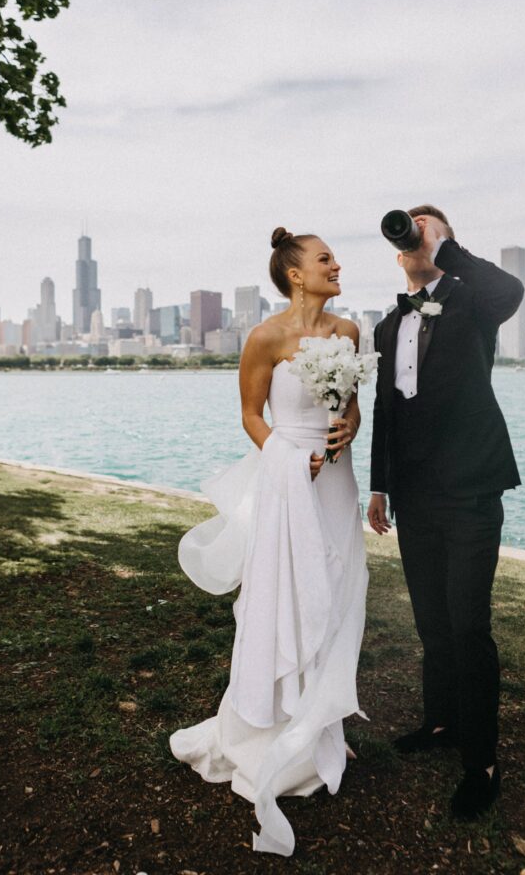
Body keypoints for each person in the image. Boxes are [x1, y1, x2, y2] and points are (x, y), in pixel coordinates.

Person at [170, 228, 368, 856]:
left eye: (335, 258)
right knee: (285, 592)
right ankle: (273, 726)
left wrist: (348, 430)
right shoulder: (264, 338)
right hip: (289, 479)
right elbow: (253, 414)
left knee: (336, 589)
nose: (337, 265)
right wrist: (287, 457)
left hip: (336, 483)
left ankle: (321, 724)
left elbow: (353, 405)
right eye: (325, 259)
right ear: (294, 274)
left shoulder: (349, 333)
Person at [367, 204, 523, 820]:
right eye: (411, 232)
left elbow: (508, 290)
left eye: (426, 230)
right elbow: (385, 411)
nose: (415, 238)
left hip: (472, 493)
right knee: (431, 624)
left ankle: (481, 763)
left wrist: (445, 249)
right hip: (416, 496)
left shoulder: (473, 302)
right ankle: (440, 724)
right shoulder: (386, 326)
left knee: (468, 627)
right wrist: (380, 486)